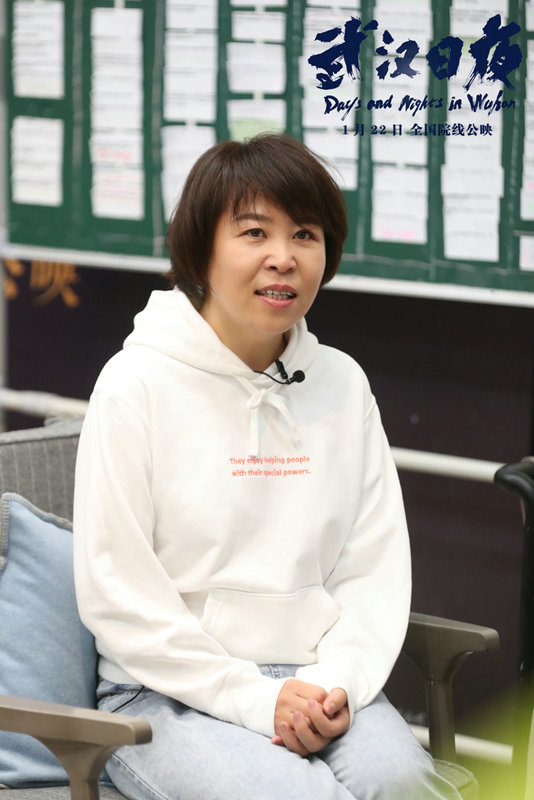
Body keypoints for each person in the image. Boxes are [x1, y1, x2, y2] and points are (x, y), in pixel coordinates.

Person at [73, 133, 461, 800]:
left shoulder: (341, 383)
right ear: (201, 250)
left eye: (305, 235)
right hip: (163, 692)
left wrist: (336, 684)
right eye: (254, 232)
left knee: (403, 784)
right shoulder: (133, 385)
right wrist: (255, 698)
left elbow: (372, 569)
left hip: (316, 678)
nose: (283, 257)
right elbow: (120, 595)